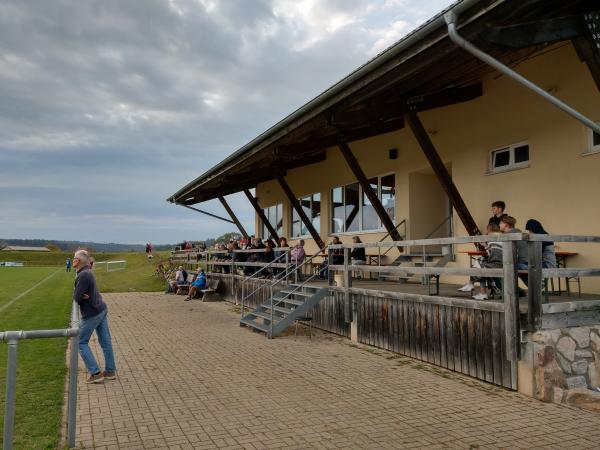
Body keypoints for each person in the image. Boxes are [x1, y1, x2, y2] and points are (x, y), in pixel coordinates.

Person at [72, 250, 116, 383]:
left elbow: (77, 297)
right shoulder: (87, 271)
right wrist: (82, 295)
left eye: (74, 258)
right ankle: (110, 371)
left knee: (80, 342)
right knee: (105, 341)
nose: (73, 260)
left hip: (93, 313)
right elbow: (80, 295)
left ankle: (96, 373)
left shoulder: (84, 274)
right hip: (101, 309)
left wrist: (81, 296)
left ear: (78, 261)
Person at [472, 224, 503, 300]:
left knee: (478, 266)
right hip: (503, 262)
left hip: (497, 264)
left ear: (490, 230)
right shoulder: (502, 236)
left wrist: (484, 245)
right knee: (480, 265)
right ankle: (473, 285)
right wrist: (485, 245)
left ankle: (478, 289)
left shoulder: (491, 238)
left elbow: (490, 254)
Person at [500, 215, 529, 291]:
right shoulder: (519, 232)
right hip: (528, 261)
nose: (499, 224)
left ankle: (512, 292)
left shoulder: (507, 235)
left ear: (506, 224)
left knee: (503, 266)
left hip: (521, 262)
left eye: (501, 223)